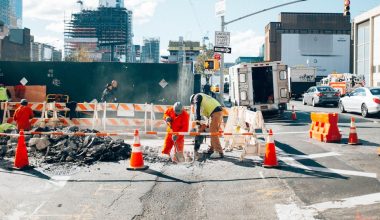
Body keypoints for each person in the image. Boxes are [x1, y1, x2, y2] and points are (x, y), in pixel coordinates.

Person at [190, 93, 224, 159]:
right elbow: (205, 117)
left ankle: (219, 152)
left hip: (215, 112)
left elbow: (197, 107)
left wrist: (197, 119)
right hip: (215, 112)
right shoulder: (203, 100)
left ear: (193, 100)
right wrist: (202, 126)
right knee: (213, 131)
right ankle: (212, 149)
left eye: (193, 103)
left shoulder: (197, 96)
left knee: (213, 132)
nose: (194, 104)